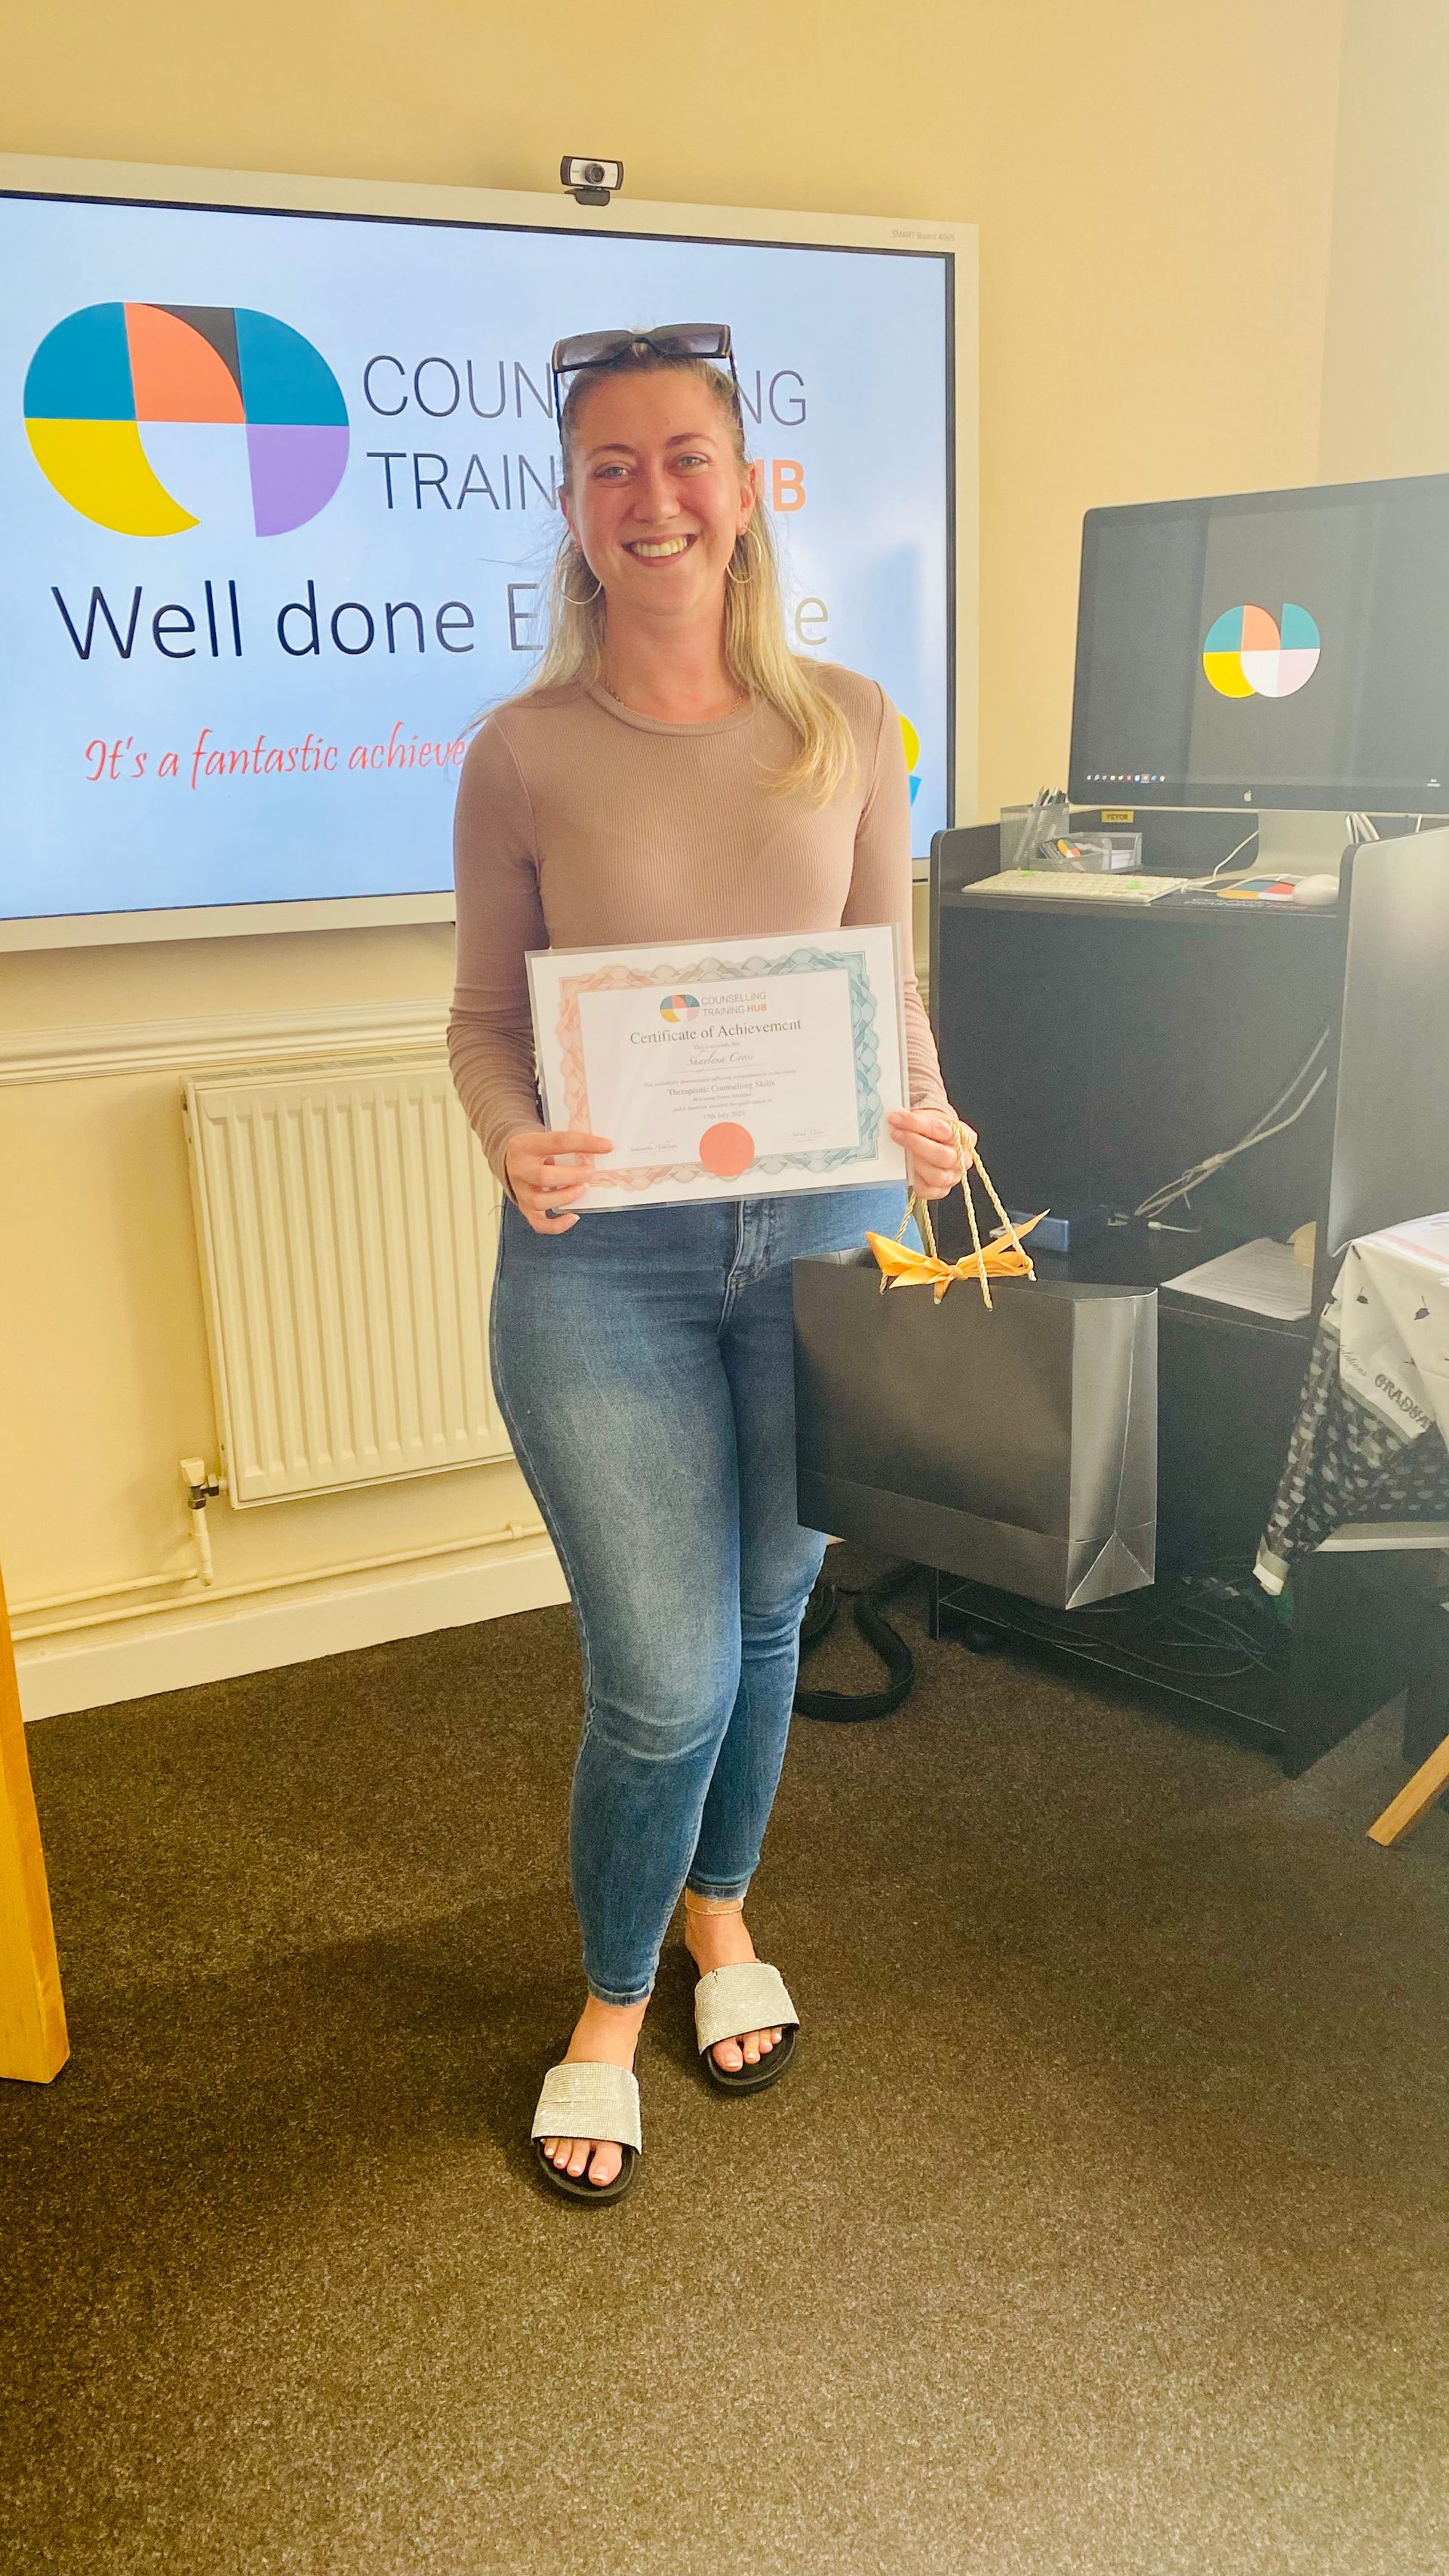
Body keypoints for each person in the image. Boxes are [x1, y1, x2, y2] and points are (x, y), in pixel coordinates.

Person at [447, 325, 974, 2203]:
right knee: (664, 1676)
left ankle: (720, 1912)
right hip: (605, 1270)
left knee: (767, 1622)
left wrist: (931, 1122)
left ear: (746, 491)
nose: (653, 497)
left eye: (686, 459)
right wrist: (515, 1138)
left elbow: (883, 989)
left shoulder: (848, 721)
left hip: (823, 1237)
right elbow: (485, 1026)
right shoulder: (522, 754)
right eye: (613, 466)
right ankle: (611, 2002)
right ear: (575, 507)